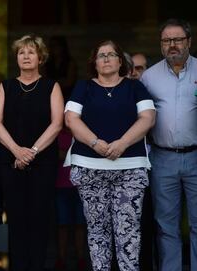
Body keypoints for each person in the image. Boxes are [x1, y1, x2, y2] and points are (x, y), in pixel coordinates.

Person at [64, 40, 155, 271]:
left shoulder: (135, 87)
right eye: (100, 55)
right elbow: (70, 119)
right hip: (89, 167)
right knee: (97, 230)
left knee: (128, 229)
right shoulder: (83, 87)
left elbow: (148, 118)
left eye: (111, 54)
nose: (105, 58)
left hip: (130, 168)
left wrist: (122, 143)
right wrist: (95, 143)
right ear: (94, 63)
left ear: (120, 61)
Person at [0, 35, 64, 271]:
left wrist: (31, 152)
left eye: (31, 52)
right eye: (21, 52)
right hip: (10, 163)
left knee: (39, 221)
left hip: (42, 163)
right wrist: (16, 151)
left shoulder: (51, 87)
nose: (25, 56)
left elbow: (57, 124)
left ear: (40, 58)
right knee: (17, 221)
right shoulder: (6, 86)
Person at [140, 18, 197, 271]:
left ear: (189, 42)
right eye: (166, 40)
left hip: (196, 157)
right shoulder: (149, 77)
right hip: (162, 159)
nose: (172, 45)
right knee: (166, 226)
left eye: (177, 39)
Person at [54, 127, 86, 271]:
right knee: (62, 224)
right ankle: (61, 259)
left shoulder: (82, 130)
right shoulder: (57, 133)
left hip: (81, 184)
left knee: (80, 224)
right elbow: (55, 154)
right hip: (61, 184)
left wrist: (67, 154)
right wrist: (77, 153)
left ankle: (80, 259)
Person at [44, 35, 77, 102]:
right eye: (51, 46)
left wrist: (53, 82)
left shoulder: (69, 62)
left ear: (62, 47)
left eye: (56, 45)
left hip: (66, 95)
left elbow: (69, 82)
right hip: (50, 95)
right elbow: (44, 81)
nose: (54, 48)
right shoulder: (47, 63)